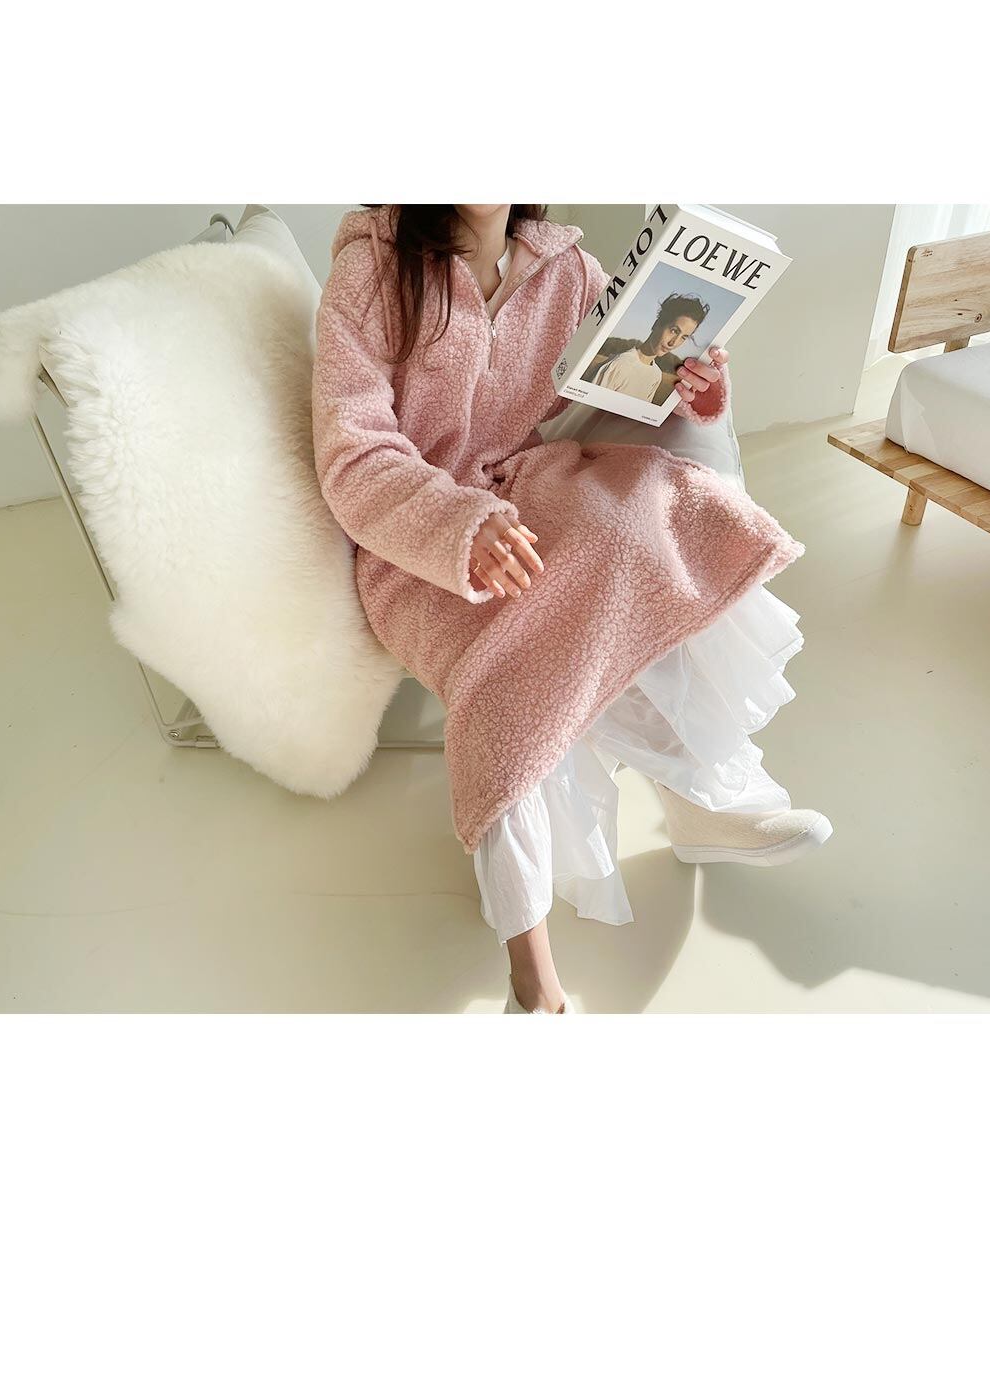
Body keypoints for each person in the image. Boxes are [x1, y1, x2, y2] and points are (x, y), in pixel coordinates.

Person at [312, 206, 832, 1014]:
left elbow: (609, 399)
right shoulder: (373, 272)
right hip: (417, 546)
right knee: (515, 660)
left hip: (539, 488)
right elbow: (354, 456)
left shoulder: (570, 270)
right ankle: (532, 973)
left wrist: (692, 394)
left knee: (648, 528)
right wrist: (460, 526)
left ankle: (700, 800)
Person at [592, 292, 711, 408]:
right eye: (674, 330)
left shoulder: (656, 375)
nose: (673, 343)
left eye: (683, 337)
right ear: (657, 324)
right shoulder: (618, 364)